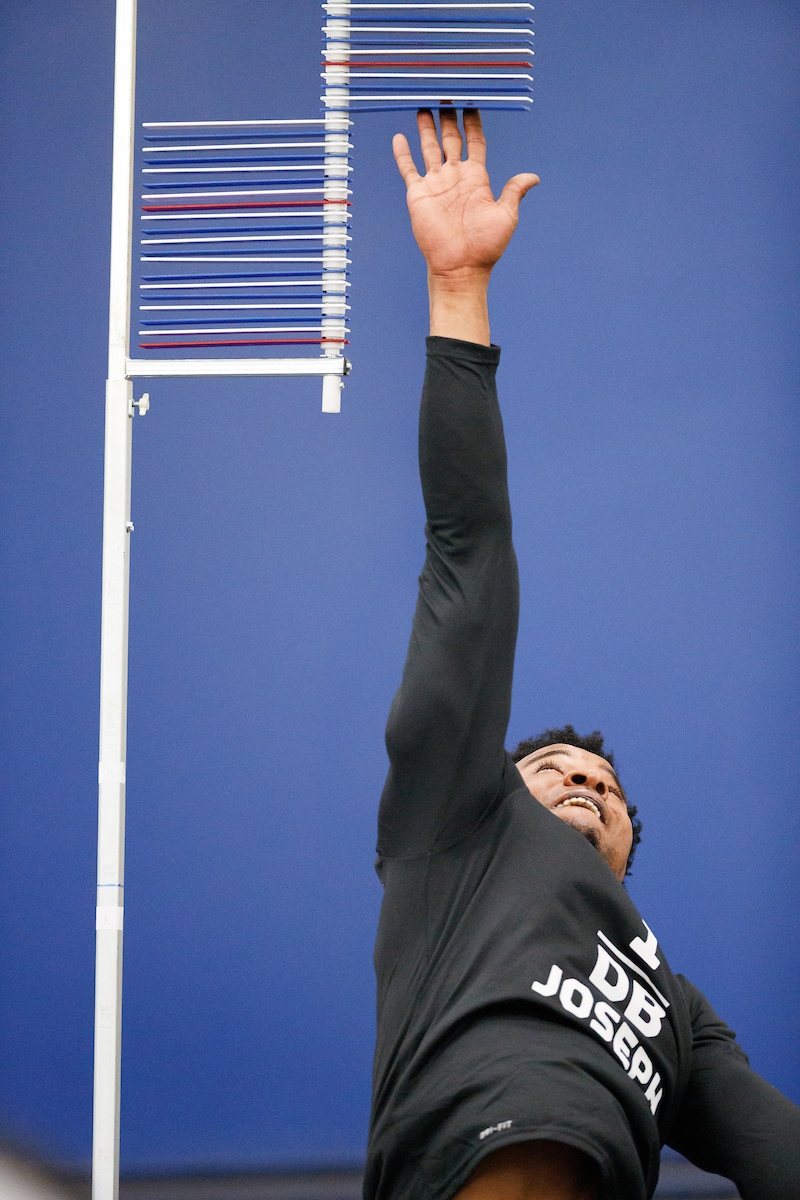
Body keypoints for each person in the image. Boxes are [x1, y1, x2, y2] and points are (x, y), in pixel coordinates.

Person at [364, 108, 800, 1200]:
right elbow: (469, 551)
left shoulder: (674, 1010)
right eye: (552, 769)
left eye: (602, 786)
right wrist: (457, 290)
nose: (582, 780)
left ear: (623, 842)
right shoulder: (456, 835)